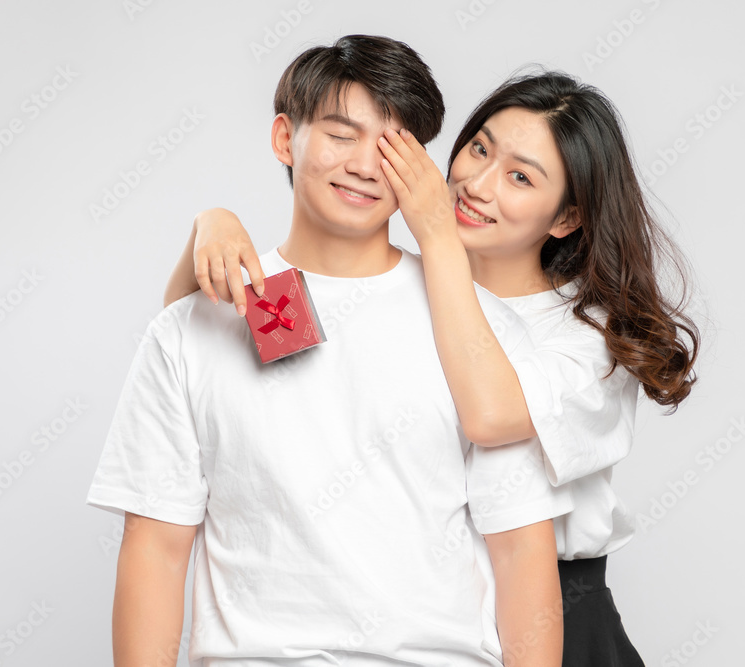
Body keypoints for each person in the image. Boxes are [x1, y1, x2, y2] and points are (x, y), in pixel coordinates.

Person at [173, 70, 701, 666]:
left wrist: (436, 235)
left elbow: (492, 414)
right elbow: (198, 359)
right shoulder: (403, 288)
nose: (476, 184)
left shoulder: (589, 342)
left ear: (565, 219)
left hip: (557, 613)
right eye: (479, 148)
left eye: (520, 177)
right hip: (433, 608)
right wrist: (210, 227)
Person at [87, 35, 574, 667]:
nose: (367, 166)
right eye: (342, 135)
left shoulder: (482, 334)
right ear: (286, 139)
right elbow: (154, 546)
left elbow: (521, 553)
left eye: (394, 144)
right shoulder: (190, 330)